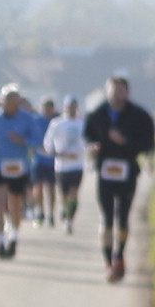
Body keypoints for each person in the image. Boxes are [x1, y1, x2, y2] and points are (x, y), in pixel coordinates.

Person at [84, 70, 155, 281]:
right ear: (106, 91)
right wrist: (93, 146)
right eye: (113, 90)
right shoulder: (97, 114)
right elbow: (88, 136)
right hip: (105, 170)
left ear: (127, 92)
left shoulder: (140, 115)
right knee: (107, 217)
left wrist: (125, 142)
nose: (117, 94)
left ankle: (120, 255)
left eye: (121, 90)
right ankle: (109, 262)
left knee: (123, 217)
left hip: (128, 170)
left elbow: (148, 143)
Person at [0, 92, 43, 256]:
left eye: (14, 101)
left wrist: (23, 140)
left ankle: (14, 237)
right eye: (7, 100)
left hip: (18, 167)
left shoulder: (27, 118)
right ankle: (0, 241)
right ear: (1, 101)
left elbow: (38, 141)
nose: (11, 104)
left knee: (15, 205)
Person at [42, 93, 86, 230]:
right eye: (69, 106)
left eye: (73, 106)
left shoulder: (82, 123)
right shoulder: (57, 123)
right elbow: (48, 143)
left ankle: (70, 220)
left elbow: (88, 142)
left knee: (74, 193)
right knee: (63, 195)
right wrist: (57, 153)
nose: (71, 109)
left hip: (77, 165)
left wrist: (86, 151)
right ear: (64, 107)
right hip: (61, 166)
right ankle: (65, 210)